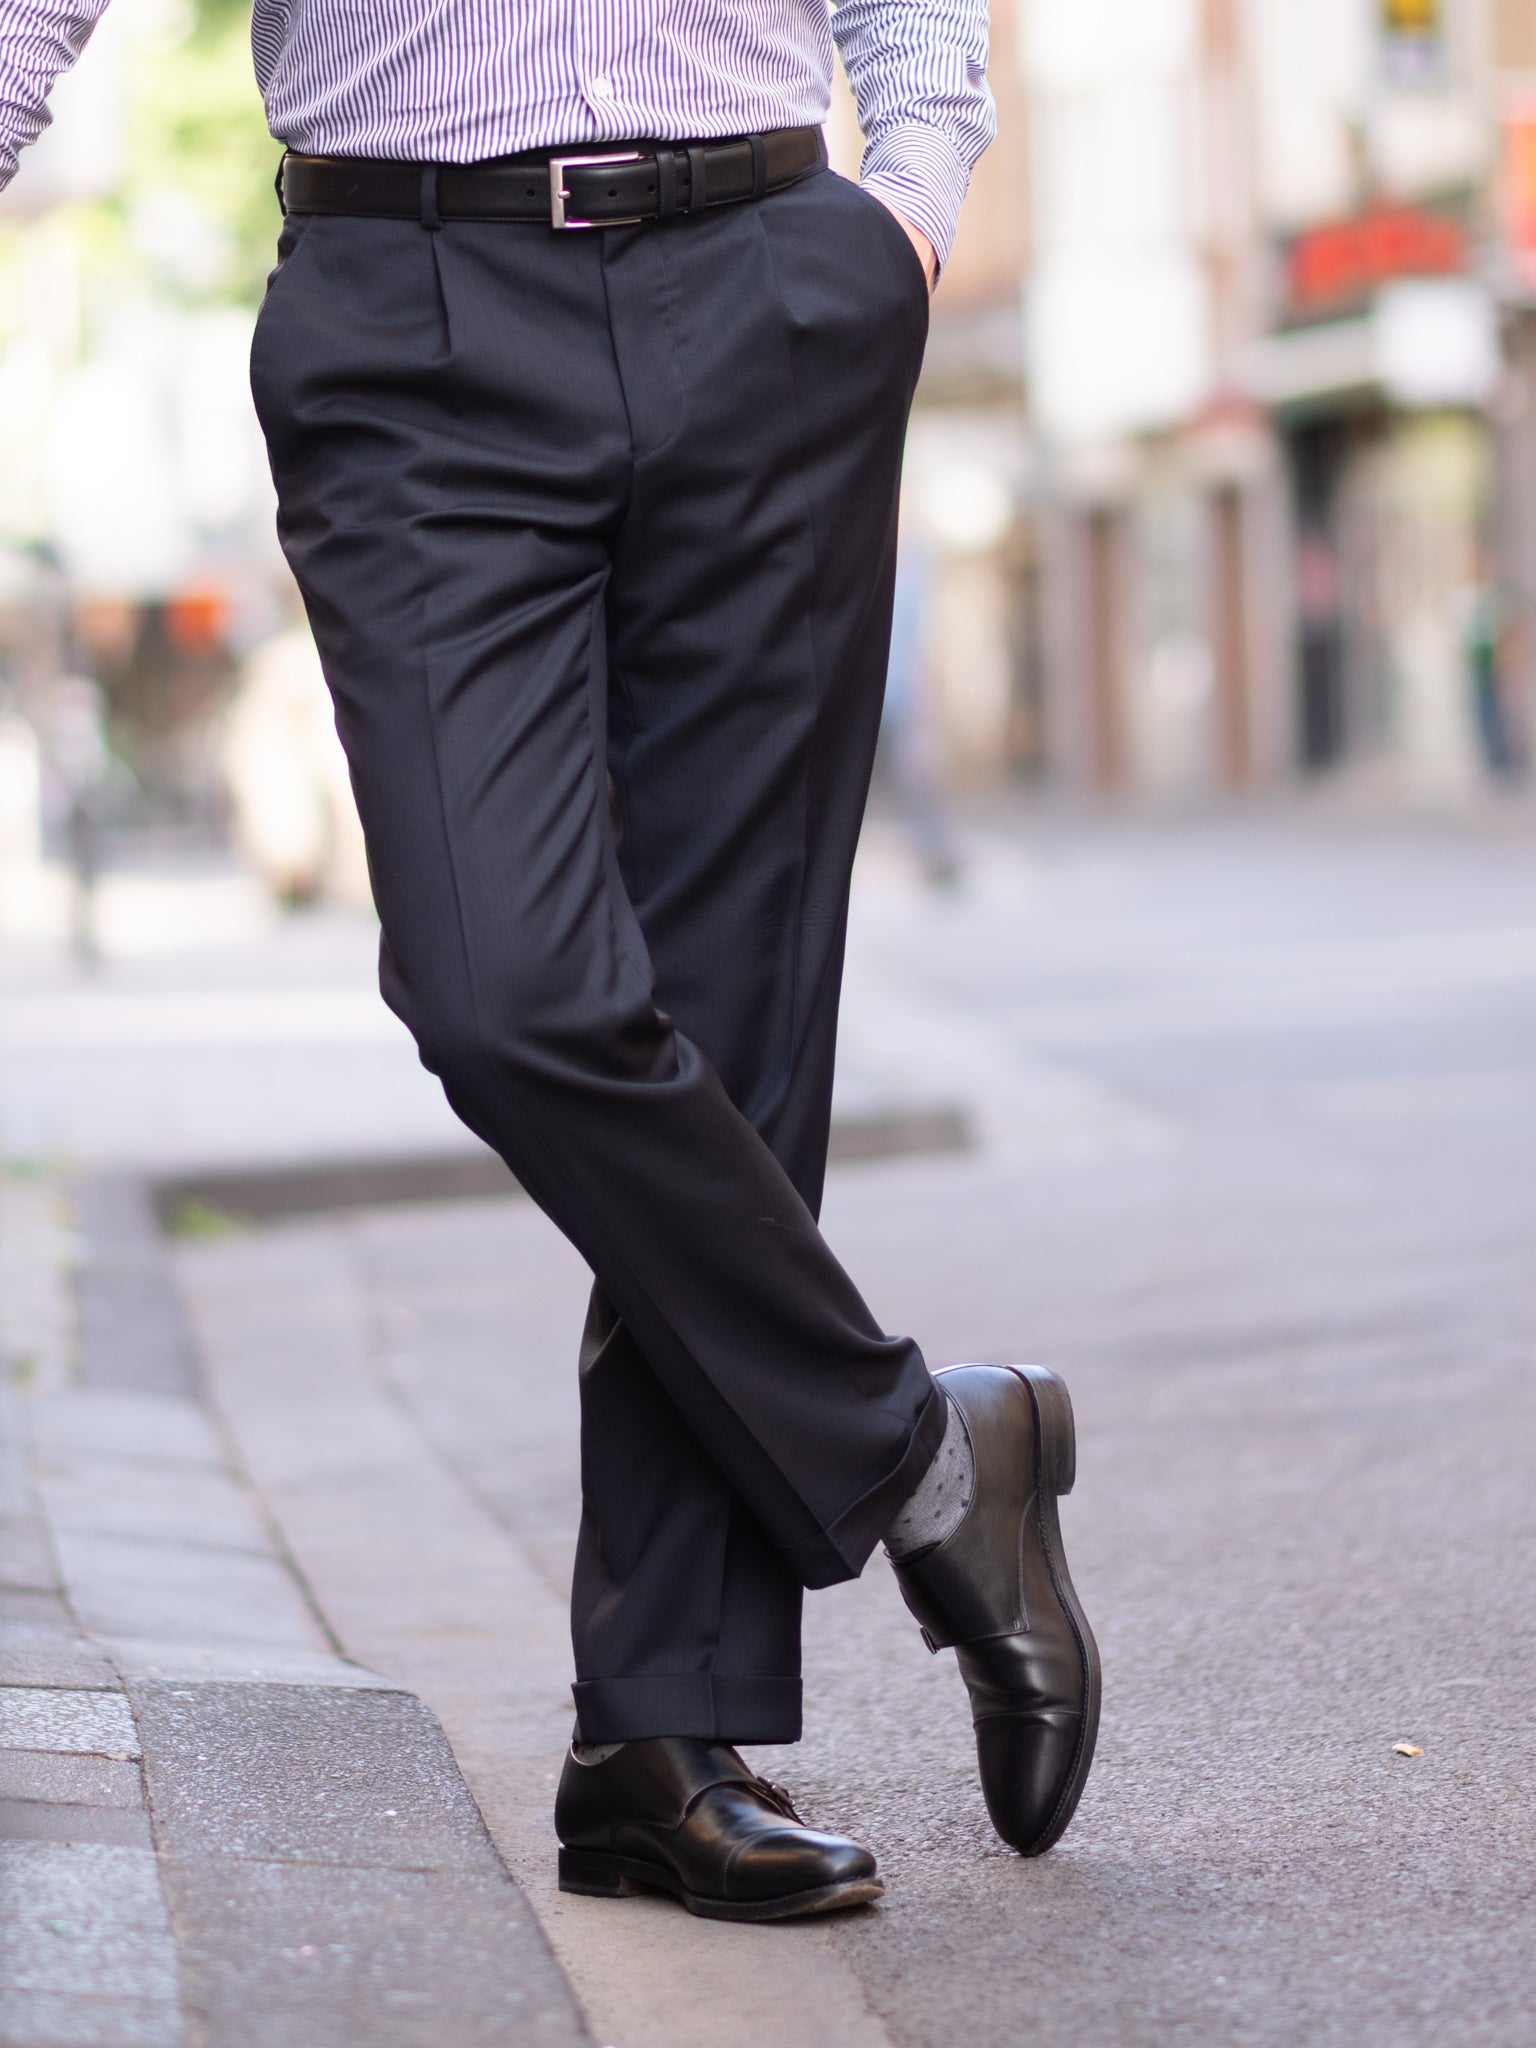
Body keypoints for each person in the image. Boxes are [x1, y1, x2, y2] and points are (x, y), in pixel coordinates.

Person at [0, 0, 1099, 1920]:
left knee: (735, 1017)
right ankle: (932, 1462)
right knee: (504, 991)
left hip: (766, 278)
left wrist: (902, 209)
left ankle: (656, 1746)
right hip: (409, 306)